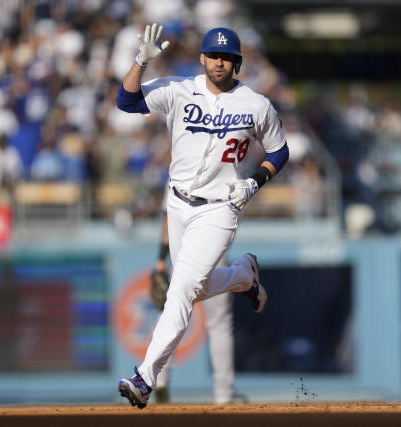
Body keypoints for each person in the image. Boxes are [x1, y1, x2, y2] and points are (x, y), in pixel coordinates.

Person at [115, 23, 289, 409]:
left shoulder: (255, 104)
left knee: (180, 291)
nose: (219, 63)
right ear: (202, 58)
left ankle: (145, 378)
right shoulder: (179, 88)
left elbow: (279, 152)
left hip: (220, 208)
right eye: (213, 55)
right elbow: (126, 103)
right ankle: (244, 275)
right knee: (196, 287)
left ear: (237, 63)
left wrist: (255, 182)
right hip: (178, 203)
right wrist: (140, 63)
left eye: (227, 57)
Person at [150, 206, 247, 404]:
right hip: (214, 251)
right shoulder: (229, 173)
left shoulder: (178, 173)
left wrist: (160, 260)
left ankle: (160, 379)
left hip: (183, 253)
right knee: (219, 324)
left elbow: (169, 217)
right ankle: (224, 393)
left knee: (173, 313)